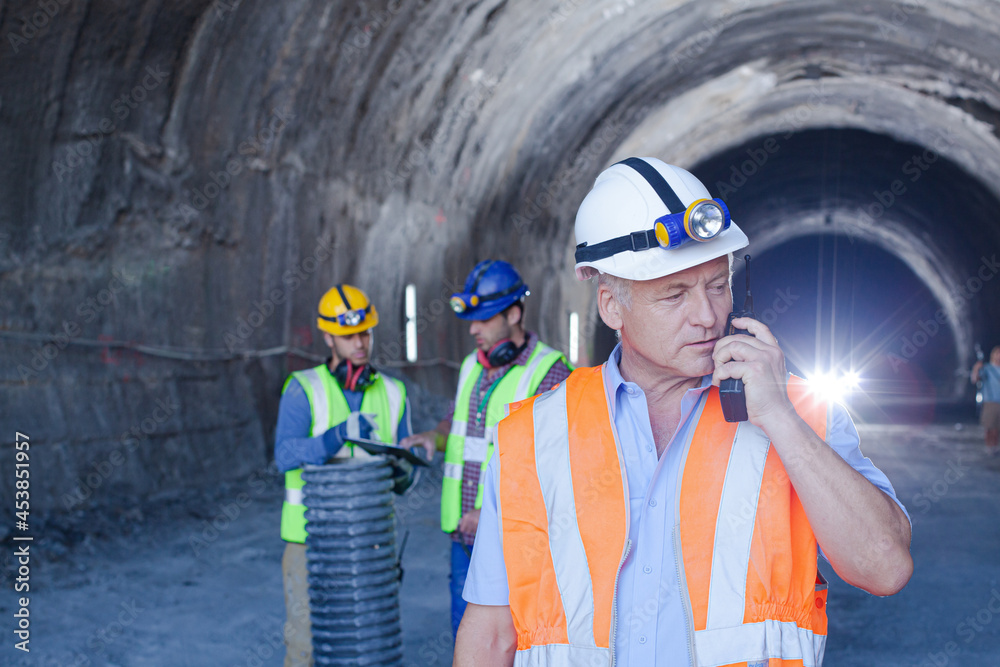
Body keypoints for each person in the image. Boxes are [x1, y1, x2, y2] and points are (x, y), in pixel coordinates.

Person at [455, 158, 913, 666]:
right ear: (611, 306)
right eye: (674, 294)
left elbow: (885, 568)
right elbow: (491, 635)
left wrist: (780, 418)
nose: (708, 316)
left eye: (717, 285)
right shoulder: (532, 438)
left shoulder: (802, 413)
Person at [401, 260, 572, 639]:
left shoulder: (550, 372)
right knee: (469, 638)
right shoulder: (471, 367)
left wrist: (494, 513)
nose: (473, 329)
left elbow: (559, 466)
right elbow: (455, 422)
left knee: (515, 641)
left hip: (518, 543)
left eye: (483, 319)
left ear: (513, 314)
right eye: (471, 320)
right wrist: (434, 437)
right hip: (463, 540)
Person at [274, 284, 428, 667]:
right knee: (308, 646)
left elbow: (403, 481)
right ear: (328, 337)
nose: (360, 343)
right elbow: (285, 456)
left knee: (368, 645)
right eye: (348, 336)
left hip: (370, 541)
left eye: (365, 333)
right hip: (311, 542)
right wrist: (336, 436)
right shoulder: (303, 389)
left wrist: (407, 466)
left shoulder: (393, 392)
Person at [971, 345, 1000, 454]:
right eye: (997, 354)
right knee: (989, 427)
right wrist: (976, 368)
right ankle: (989, 446)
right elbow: (975, 379)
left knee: (997, 428)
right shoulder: (987, 368)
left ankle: (995, 446)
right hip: (990, 402)